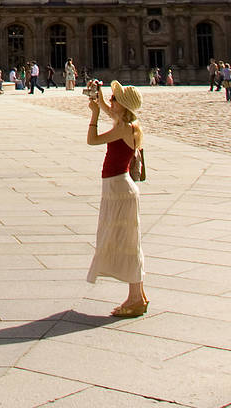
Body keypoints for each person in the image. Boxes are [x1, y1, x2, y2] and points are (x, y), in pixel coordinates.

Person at [85, 80, 147, 318]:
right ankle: (138, 296)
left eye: (115, 98)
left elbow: (93, 140)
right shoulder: (129, 122)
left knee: (126, 243)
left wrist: (93, 116)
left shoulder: (123, 128)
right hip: (119, 188)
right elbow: (111, 110)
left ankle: (135, 299)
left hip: (119, 190)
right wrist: (100, 100)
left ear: (123, 105)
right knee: (129, 243)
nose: (112, 101)